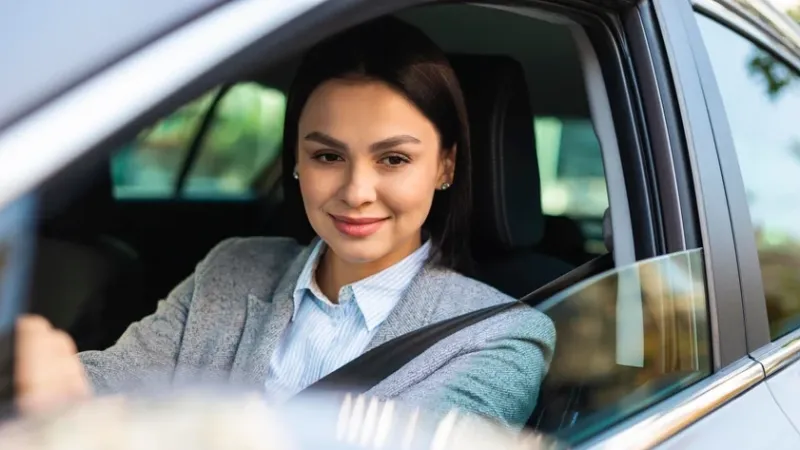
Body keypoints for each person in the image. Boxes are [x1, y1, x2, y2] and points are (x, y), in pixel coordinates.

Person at [14, 17, 555, 427]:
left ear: (445, 166)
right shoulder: (234, 266)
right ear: (295, 159)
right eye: (327, 156)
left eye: (393, 159)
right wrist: (44, 380)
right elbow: (113, 379)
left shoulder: (502, 336)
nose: (356, 192)